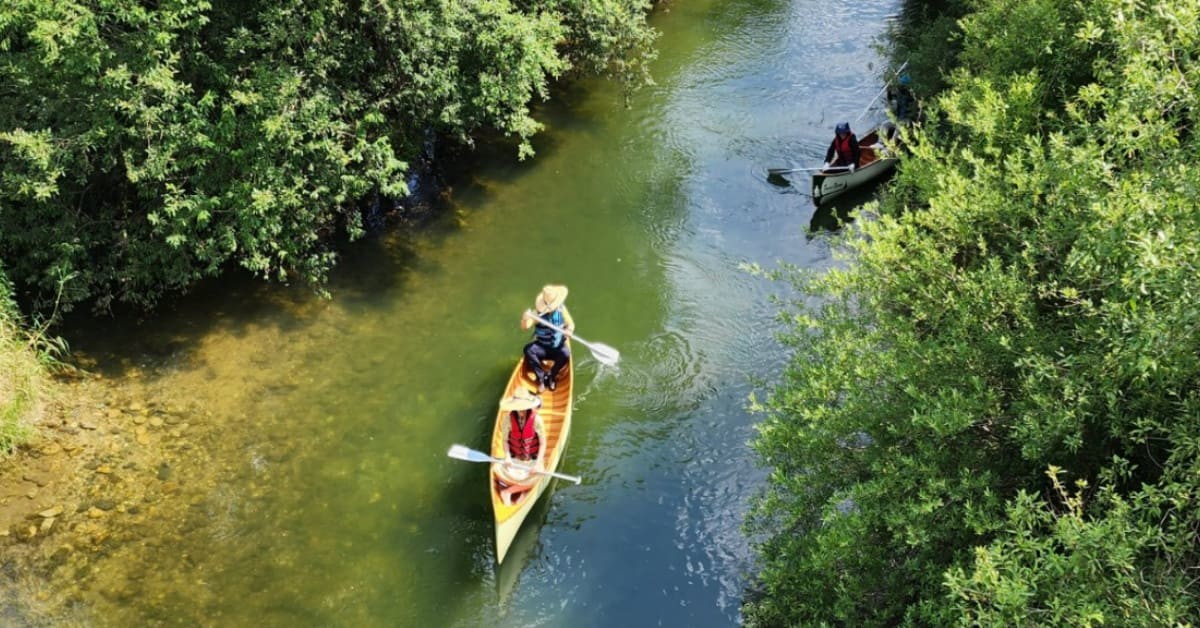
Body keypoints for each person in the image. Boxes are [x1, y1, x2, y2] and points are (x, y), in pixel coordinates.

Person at [495, 391, 545, 504]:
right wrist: (507, 457)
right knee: (496, 468)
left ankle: (508, 491)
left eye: (523, 408)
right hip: (515, 459)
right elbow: (505, 441)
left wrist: (537, 463)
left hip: (531, 459)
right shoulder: (508, 419)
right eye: (518, 408)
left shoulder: (537, 420)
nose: (521, 411)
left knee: (540, 474)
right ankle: (523, 489)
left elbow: (543, 443)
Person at [522, 284, 574, 392]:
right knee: (528, 350)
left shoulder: (562, 309)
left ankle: (551, 376)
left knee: (566, 353)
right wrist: (525, 318)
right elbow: (525, 327)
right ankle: (541, 378)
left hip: (557, 346)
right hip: (542, 347)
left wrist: (569, 330)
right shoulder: (536, 314)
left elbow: (571, 324)